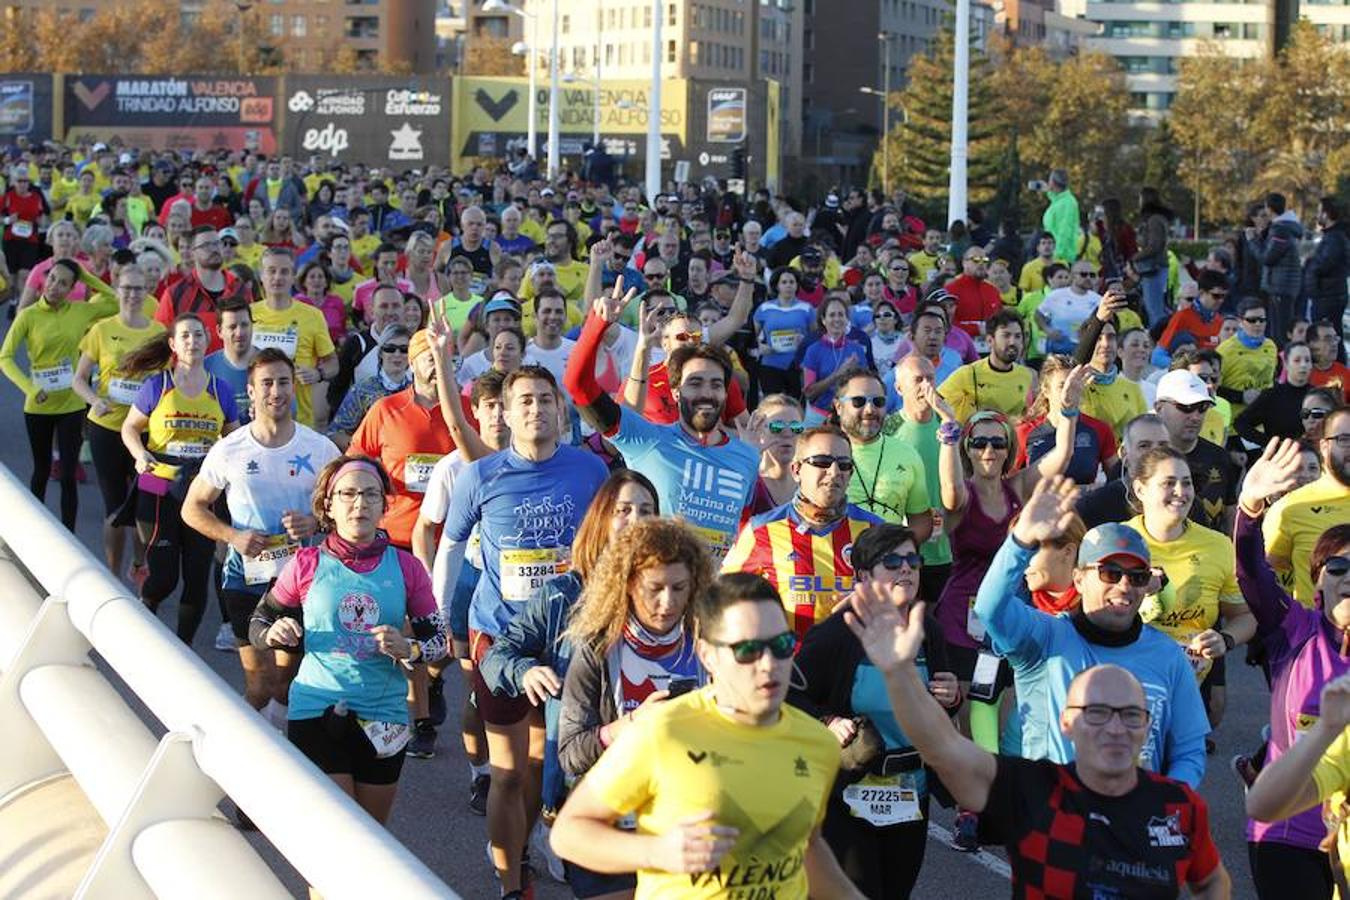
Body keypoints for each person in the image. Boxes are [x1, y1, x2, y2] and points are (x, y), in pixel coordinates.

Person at [843, 584, 1231, 898]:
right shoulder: (1033, 789)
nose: (1115, 727)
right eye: (1096, 712)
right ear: (1067, 723)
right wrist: (898, 675)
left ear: (1147, 726)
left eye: (1130, 715)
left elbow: (1213, 881)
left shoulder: (1179, 807)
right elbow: (944, 749)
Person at [549, 572, 860, 899]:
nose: (769, 664)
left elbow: (808, 846)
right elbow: (568, 834)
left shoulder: (817, 742)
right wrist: (657, 852)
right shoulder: (663, 732)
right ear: (707, 654)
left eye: (781, 645)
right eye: (748, 649)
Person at [441, 365, 608, 900]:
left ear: (561, 410)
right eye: (524, 402)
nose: (536, 409)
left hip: (565, 639)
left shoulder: (590, 470)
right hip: (501, 638)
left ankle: (523, 841)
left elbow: (605, 548)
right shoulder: (481, 476)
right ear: (505, 414)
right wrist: (445, 616)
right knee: (508, 772)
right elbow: (451, 545)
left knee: (544, 761)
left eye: (544, 399)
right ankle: (512, 882)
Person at [247, 455, 446, 830]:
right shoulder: (306, 563)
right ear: (329, 505)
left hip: (384, 716)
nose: (360, 504)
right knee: (335, 834)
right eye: (349, 494)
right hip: (316, 708)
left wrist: (410, 649)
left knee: (372, 840)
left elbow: (440, 642)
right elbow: (259, 621)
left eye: (371, 494)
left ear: (384, 505)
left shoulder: (407, 567)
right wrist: (273, 635)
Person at [973, 477, 1209, 788]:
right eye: (1111, 572)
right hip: (1053, 821)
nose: (1124, 585)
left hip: (1133, 825)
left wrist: (1166, 803)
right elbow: (990, 607)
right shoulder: (1045, 639)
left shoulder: (1168, 656)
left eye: (1136, 576)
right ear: (1080, 579)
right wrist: (1020, 541)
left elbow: (1189, 750)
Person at [478, 470, 659, 863]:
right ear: (601, 519)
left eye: (647, 510)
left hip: (655, 763)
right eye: (623, 510)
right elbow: (498, 654)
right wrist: (525, 671)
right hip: (582, 767)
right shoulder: (563, 594)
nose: (636, 520)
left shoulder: (674, 594)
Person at [790, 523, 960, 898]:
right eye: (893, 561)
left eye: (913, 561)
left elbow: (940, 705)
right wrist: (828, 721)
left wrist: (951, 697)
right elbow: (789, 695)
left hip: (909, 794)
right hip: (849, 797)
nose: (906, 569)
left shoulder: (926, 630)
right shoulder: (836, 633)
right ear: (863, 575)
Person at [1218, 438, 1350, 898]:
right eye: (1337, 565)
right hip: (1287, 831)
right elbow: (1252, 573)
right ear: (1317, 582)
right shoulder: (1294, 628)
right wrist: (1250, 509)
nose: (1349, 574)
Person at [556, 518, 712, 899]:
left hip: (687, 822)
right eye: (654, 589)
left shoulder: (710, 644)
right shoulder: (597, 649)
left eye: (679, 588)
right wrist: (628, 727)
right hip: (612, 825)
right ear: (628, 585)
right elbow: (570, 755)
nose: (667, 602)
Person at [182, 349, 339, 715]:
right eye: (266, 383)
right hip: (244, 579)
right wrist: (233, 537)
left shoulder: (319, 449)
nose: (276, 391)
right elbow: (192, 509)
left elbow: (343, 512)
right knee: (259, 684)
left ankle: (278, 742)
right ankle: (240, 749)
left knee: (286, 685)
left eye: (283, 381)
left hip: (301, 582)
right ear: (251, 392)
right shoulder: (229, 450)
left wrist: (314, 523)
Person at [567, 282, 759, 562]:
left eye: (715, 384)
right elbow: (578, 386)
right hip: (651, 594)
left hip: (710, 601)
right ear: (675, 390)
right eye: (695, 383)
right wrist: (598, 325)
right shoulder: (647, 441)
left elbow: (743, 534)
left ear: (725, 392)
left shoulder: (747, 457)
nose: (706, 393)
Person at [121, 314, 240, 642]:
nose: (192, 341)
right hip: (158, 485)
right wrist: (139, 453)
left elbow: (234, 441)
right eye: (185, 336)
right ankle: (147, 608)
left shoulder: (221, 390)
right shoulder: (157, 386)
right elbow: (130, 427)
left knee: (197, 575)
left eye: (198, 335)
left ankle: (183, 648)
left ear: (207, 341)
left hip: (202, 490)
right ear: (173, 344)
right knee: (164, 577)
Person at [1126, 446, 1253, 739]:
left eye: (1186, 482)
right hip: (1124, 696)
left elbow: (1244, 616)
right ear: (1140, 489)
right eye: (1168, 483)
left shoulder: (1218, 545)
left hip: (1184, 696)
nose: (1181, 491)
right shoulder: (1118, 540)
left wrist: (1225, 639)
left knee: (1179, 778)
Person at [722, 424, 883, 639]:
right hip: (787, 664)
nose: (834, 472)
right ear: (797, 470)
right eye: (822, 462)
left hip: (857, 663)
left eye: (844, 465)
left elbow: (901, 595)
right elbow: (723, 597)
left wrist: (873, 599)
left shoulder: (875, 530)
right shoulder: (760, 530)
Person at [0, 259, 120, 531]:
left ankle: (69, 535)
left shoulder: (80, 311)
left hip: (71, 404)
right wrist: (30, 388)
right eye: (52, 278)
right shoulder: (28, 315)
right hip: (38, 405)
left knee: (68, 475)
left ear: (71, 289)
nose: (54, 286)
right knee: (41, 471)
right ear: (45, 278)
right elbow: (4, 357)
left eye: (63, 283)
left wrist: (86, 276)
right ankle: (34, 532)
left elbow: (115, 302)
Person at [72, 263, 164, 576]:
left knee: (145, 508)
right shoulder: (101, 329)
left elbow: (168, 381)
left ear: (146, 291)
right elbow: (79, 379)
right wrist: (94, 401)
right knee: (114, 507)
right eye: (127, 288)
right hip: (107, 429)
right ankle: (112, 576)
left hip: (146, 434)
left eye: (139, 288)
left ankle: (140, 567)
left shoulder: (158, 333)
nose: (133, 295)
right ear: (117, 289)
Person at [1264, 407, 1350, 608]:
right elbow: (1267, 572)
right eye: (1344, 439)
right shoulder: (1291, 508)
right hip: (1317, 633)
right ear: (1324, 447)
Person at [833, 369, 933, 539]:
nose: (870, 410)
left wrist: (898, 549)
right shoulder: (821, 452)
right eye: (858, 401)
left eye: (878, 402)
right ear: (838, 406)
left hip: (888, 562)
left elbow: (921, 520)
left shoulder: (907, 454)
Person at [249, 248, 337, 428]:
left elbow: (333, 364)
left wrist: (317, 373)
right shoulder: (248, 314)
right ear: (261, 276)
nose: (277, 277)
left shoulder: (313, 315)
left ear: (293, 276)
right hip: (256, 418)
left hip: (300, 420)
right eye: (271, 271)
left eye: (284, 271)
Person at [1153, 369, 1237, 532]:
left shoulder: (1219, 457)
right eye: (1186, 407)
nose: (1196, 416)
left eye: (1202, 407)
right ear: (1159, 408)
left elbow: (1230, 516)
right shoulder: (1143, 459)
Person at [1015, 354, 1119, 486]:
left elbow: (1116, 480)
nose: (1068, 391)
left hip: (1084, 505)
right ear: (1046, 390)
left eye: (1074, 385)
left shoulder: (1100, 429)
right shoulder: (1024, 432)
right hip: (1039, 504)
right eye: (1062, 386)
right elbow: (1011, 486)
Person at [154, 226, 252, 353]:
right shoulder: (175, 293)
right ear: (192, 252)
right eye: (206, 245)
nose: (214, 249)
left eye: (217, 243)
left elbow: (252, 332)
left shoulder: (240, 289)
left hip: (232, 369)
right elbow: (160, 341)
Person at [1075, 412, 1173, 528]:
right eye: (1144, 446)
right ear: (1124, 454)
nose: (1155, 453)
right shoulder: (1094, 507)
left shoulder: (1184, 502)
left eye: (1163, 446)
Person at [937, 308, 1035, 422]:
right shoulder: (968, 373)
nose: (1012, 342)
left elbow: (1026, 416)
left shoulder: (1026, 375)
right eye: (1006, 335)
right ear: (990, 340)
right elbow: (935, 402)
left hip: (1009, 438)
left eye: (1017, 336)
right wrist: (949, 425)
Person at [326, 325, 413, 450]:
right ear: (381, 352)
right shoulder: (363, 390)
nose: (397, 354)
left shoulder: (417, 391)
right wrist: (363, 452)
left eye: (404, 349)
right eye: (390, 348)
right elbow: (335, 433)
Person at [802, 296, 871, 421]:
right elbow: (809, 393)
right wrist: (839, 373)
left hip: (849, 416)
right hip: (819, 416)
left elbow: (865, 386)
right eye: (832, 315)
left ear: (846, 319)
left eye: (841, 315)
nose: (837, 319)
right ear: (823, 320)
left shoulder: (857, 349)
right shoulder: (813, 350)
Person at [1235, 341, 1314, 444]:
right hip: (1281, 456)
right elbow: (1240, 423)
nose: (1303, 365)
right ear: (1286, 364)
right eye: (1297, 360)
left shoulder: (1318, 396)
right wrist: (1270, 444)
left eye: (1307, 360)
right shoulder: (1271, 396)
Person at [753, 267, 815, 398]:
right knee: (773, 407)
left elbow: (816, 337)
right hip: (770, 365)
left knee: (796, 408)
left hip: (798, 366)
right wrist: (759, 347)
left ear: (797, 285)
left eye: (792, 282)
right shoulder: (764, 308)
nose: (788, 286)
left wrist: (804, 343)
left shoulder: (807, 308)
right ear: (777, 286)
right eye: (784, 282)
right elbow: (751, 337)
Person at [1216, 296, 1278, 420]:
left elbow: (1271, 381)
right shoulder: (1225, 350)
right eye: (1252, 320)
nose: (1258, 324)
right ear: (1240, 321)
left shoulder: (1271, 346)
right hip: (1233, 423)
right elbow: (1214, 389)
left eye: (1262, 320)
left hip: (1261, 422)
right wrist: (1241, 396)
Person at [745, 394, 805, 514]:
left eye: (795, 427)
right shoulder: (748, 480)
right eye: (777, 427)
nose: (787, 434)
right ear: (759, 431)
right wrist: (746, 456)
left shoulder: (809, 485)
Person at [1036, 259, 1102, 355]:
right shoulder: (1056, 295)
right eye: (1083, 274)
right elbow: (1038, 315)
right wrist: (1048, 330)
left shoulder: (1098, 300)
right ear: (1073, 276)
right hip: (1059, 350)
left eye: (1092, 275)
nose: (1088, 278)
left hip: (1086, 351)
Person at [944, 246, 1003, 339]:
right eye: (975, 260)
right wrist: (976, 329)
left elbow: (1000, 321)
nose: (981, 263)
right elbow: (946, 323)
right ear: (964, 263)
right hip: (961, 347)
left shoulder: (993, 291)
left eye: (985, 260)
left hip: (990, 348)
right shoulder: (951, 290)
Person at [1134, 187, 1174, 327]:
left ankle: (1157, 338)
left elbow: (1154, 246)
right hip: (1157, 267)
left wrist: (1135, 257)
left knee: (1154, 309)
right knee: (1156, 307)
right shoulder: (1159, 219)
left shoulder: (1154, 220)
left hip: (1153, 268)